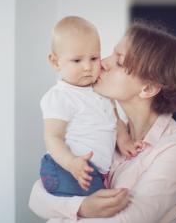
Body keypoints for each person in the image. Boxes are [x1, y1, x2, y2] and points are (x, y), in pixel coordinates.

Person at [29, 21, 176, 222]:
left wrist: (69, 210)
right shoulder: (106, 130)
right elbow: (36, 199)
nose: (101, 63)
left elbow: (128, 219)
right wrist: (82, 207)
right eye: (110, 54)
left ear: (148, 88)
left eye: (119, 61)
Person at [39, 16, 141, 197]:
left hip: (93, 171)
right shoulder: (61, 96)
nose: (88, 67)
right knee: (102, 207)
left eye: (94, 58)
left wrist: (124, 140)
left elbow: (114, 120)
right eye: (77, 61)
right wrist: (71, 163)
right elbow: (52, 137)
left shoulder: (100, 90)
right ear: (55, 62)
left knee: (104, 205)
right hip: (66, 168)